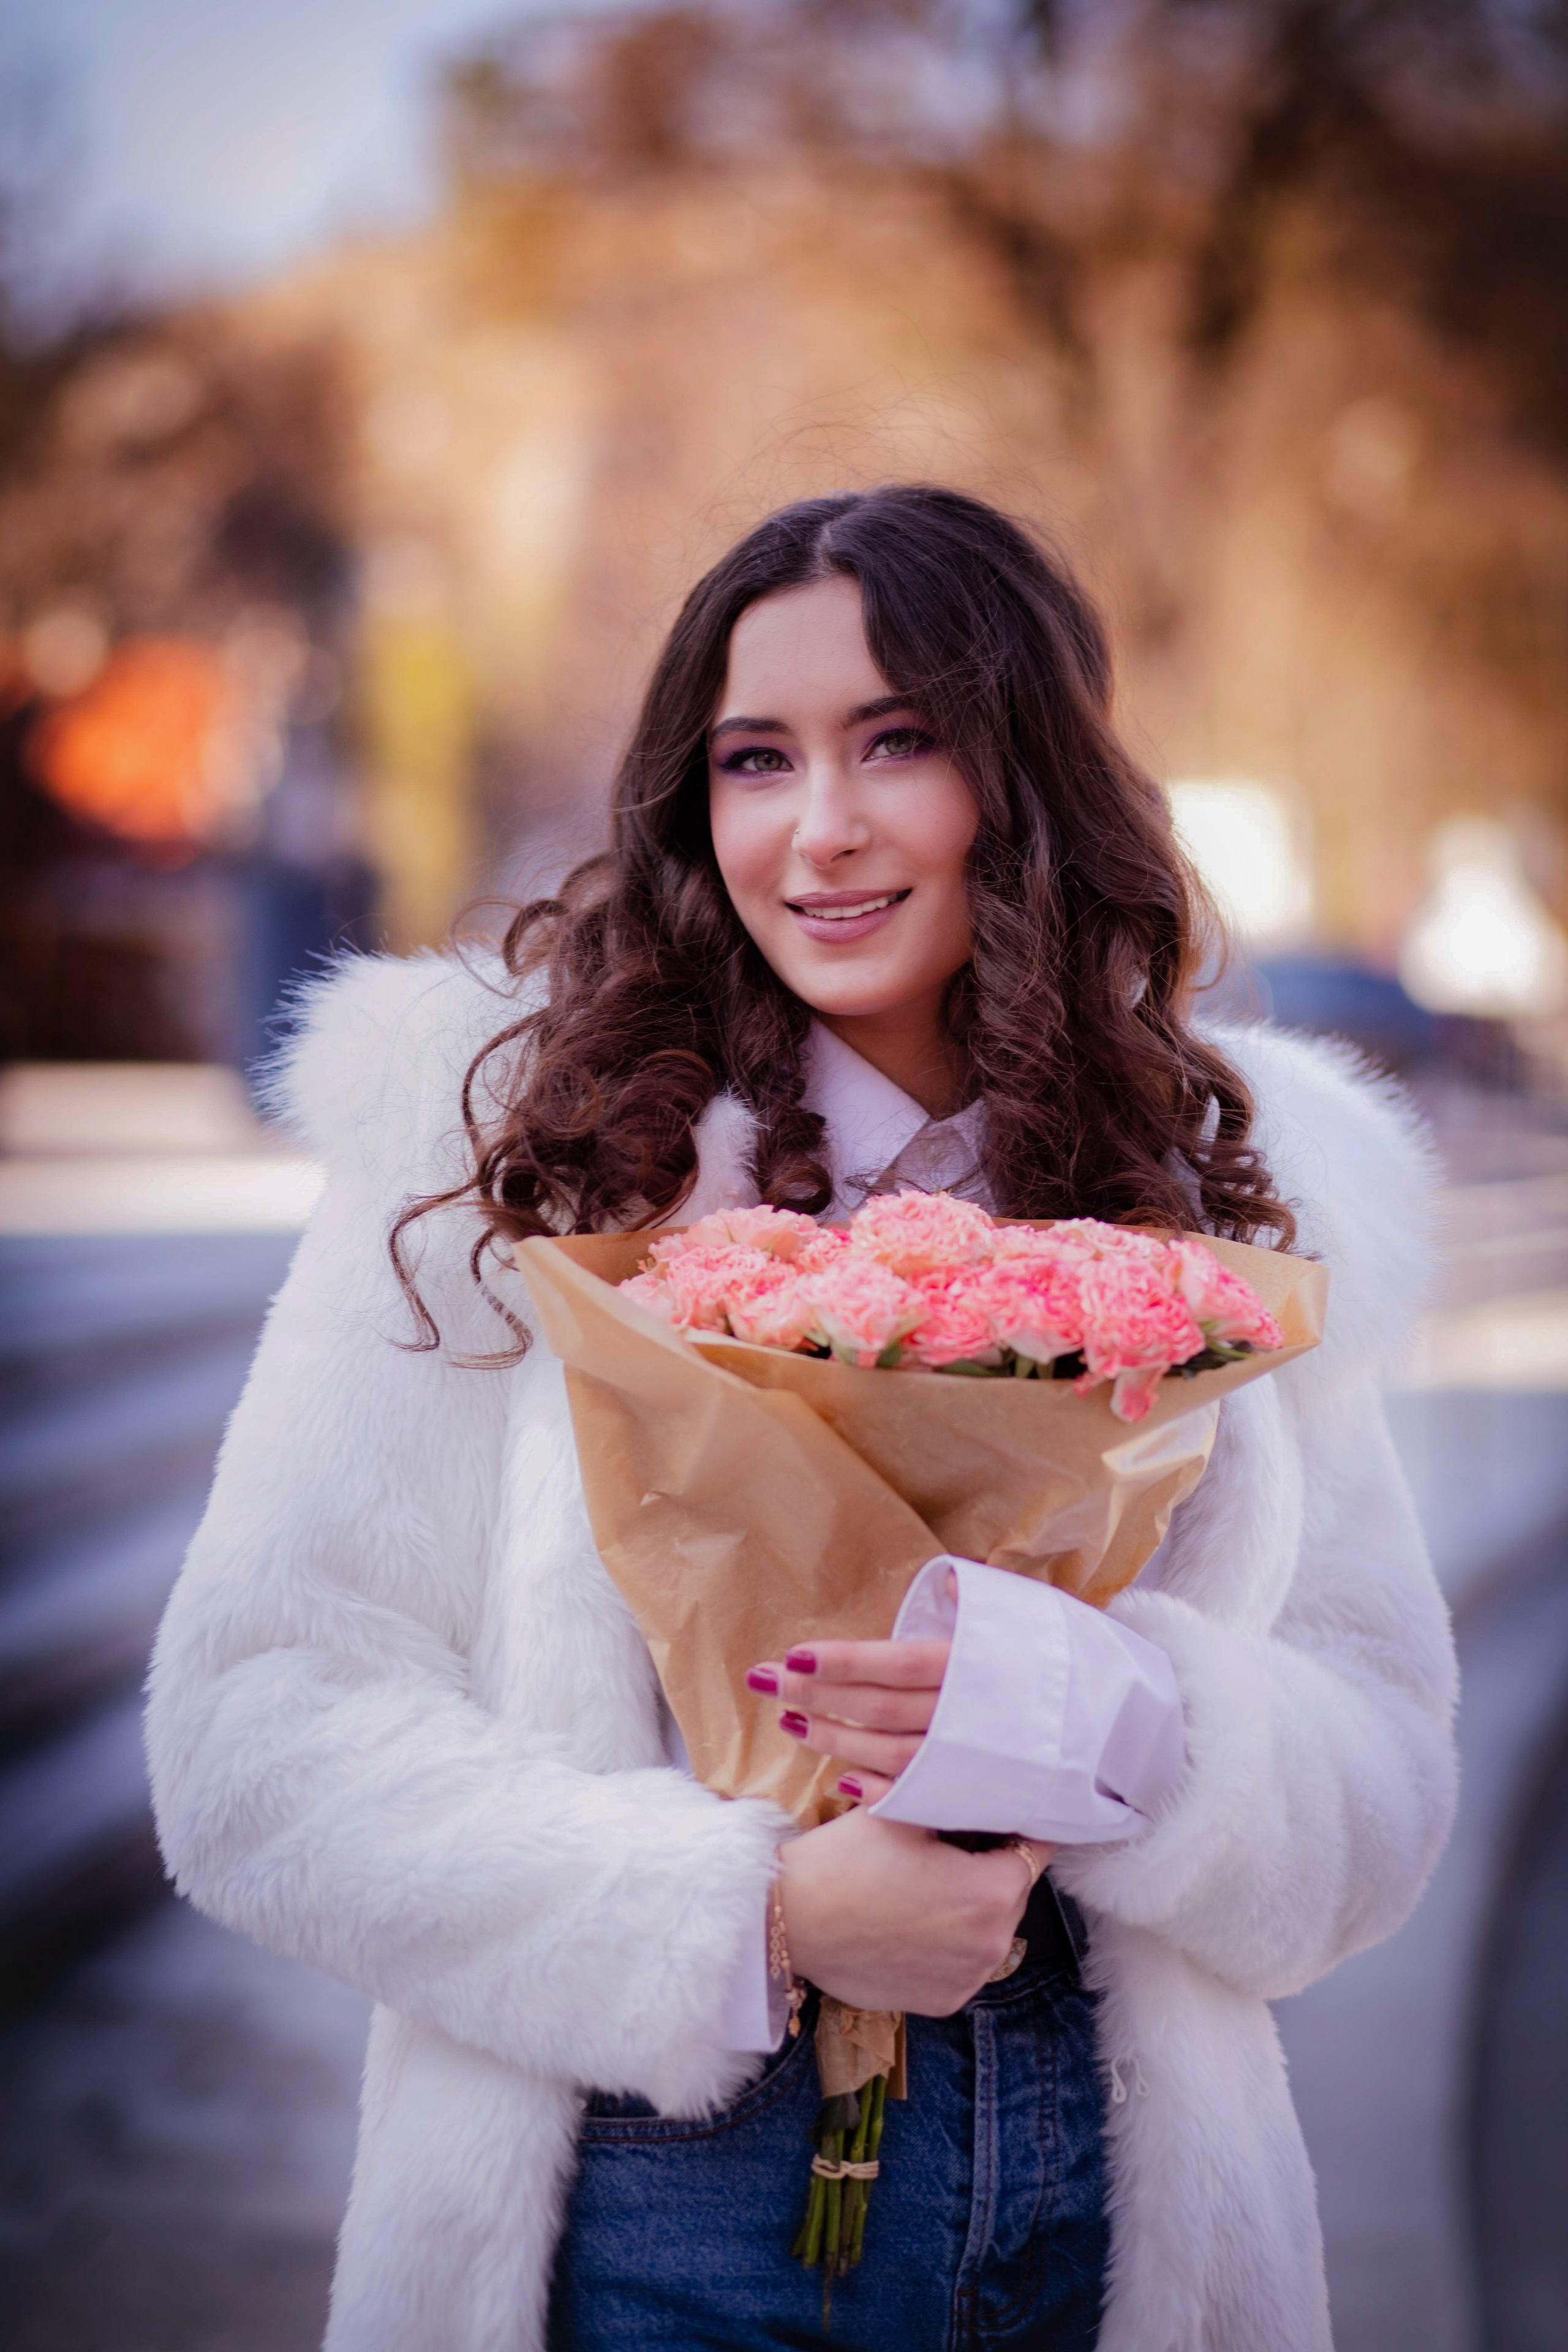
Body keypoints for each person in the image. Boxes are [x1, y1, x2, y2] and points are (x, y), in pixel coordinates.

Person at [145, 485, 1458, 2352]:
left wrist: (1128, 1721)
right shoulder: (511, 1155)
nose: (820, 826)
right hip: (657, 2193)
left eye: (898, 742)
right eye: (757, 759)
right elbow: (254, 1731)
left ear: (1025, 781)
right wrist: (752, 1915)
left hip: (1120, 2207)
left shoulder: (1223, 1188)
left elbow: (1386, 1778)